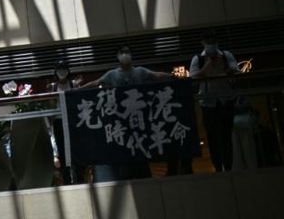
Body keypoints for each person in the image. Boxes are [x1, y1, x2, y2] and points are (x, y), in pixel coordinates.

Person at [82, 46, 172, 181]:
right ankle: (125, 176)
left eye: (127, 52)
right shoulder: (112, 74)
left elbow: (156, 75)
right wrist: (78, 89)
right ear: (118, 56)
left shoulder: (140, 71)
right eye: (122, 53)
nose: (125, 55)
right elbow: (96, 83)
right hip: (121, 120)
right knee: (125, 149)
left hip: (139, 119)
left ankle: (143, 175)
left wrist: (172, 76)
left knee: (141, 147)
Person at [189, 31, 240, 172]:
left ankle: (228, 166)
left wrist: (223, 65)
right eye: (207, 41)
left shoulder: (225, 55)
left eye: (213, 41)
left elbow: (236, 71)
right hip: (207, 102)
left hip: (225, 100)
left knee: (226, 135)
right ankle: (217, 167)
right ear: (203, 43)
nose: (210, 44)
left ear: (217, 42)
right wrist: (207, 65)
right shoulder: (198, 59)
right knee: (212, 136)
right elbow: (193, 77)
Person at [47, 61, 84, 185]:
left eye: (64, 69)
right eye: (59, 69)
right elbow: (51, 105)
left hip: (73, 121)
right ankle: (67, 180)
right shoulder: (52, 86)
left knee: (76, 149)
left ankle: (79, 178)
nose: (62, 72)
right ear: (56, 72)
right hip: (59, 121)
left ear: (68, 71)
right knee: (62, 151)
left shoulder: (73, 84)